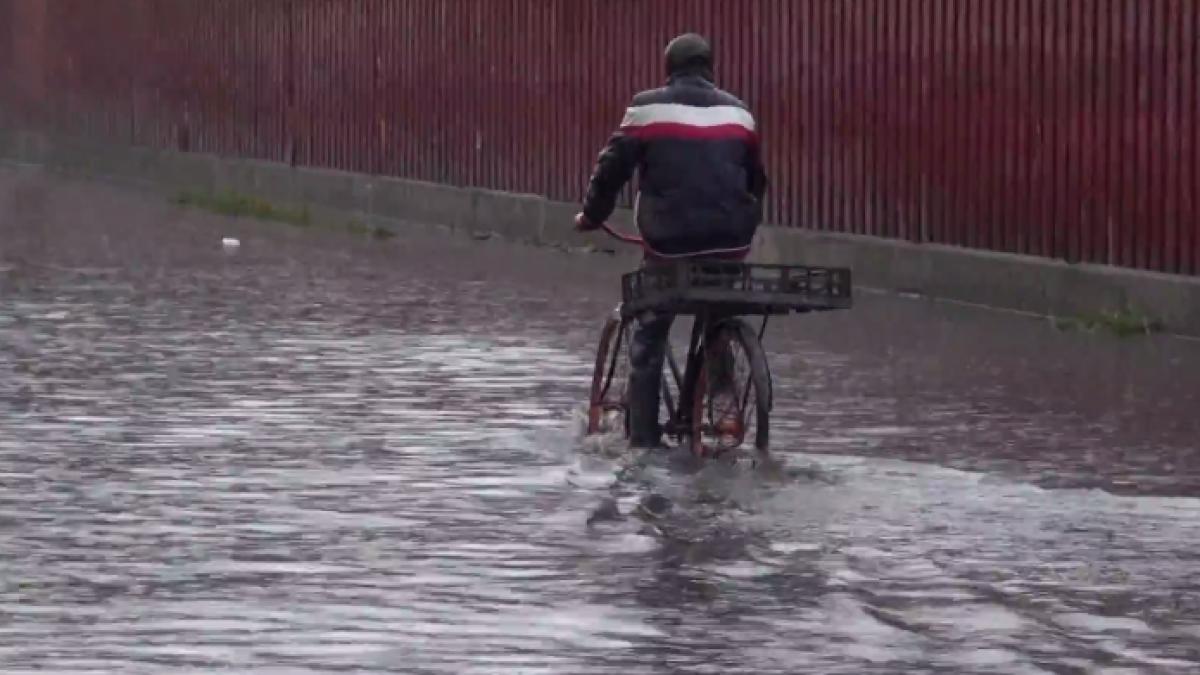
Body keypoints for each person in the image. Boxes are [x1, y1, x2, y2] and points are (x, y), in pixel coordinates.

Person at [574, 33, 768, 448]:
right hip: (730, 244)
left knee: (651, 332)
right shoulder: (741, 113)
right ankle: (723, 395)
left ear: (669, 69)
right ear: (710, 68)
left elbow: (611, 170)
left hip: (670, 245)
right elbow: (757, 182)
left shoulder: (647, 108)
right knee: (715, 305)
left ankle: (643, 444)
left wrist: (592, 215)